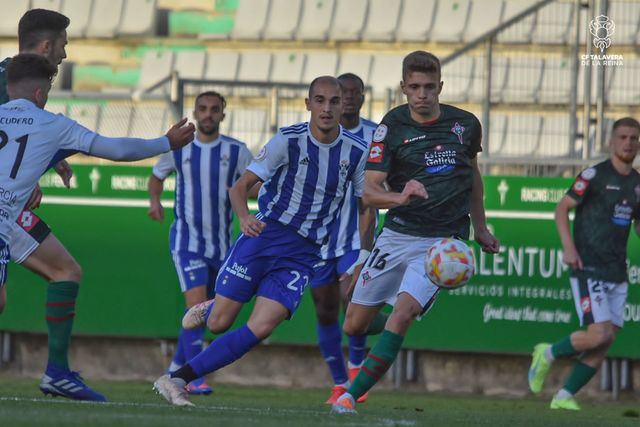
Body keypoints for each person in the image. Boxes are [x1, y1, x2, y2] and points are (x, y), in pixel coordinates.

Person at [152, 76, 374, 407]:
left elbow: (365, 205)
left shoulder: (356, 153)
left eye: (334, 101)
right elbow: (240, 187)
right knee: (218, 323)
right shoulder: (287, 140)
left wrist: (363, 255)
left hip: (303, 254)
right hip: (265, 237)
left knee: (262, 327)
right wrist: (244, 218)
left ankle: (176, 380)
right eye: (320, 100)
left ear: (344, 104)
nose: (327, 108)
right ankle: (214, 305)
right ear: (308, 104)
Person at [0, 53, 195, 401]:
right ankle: (57, 374)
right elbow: (116, 149)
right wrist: (166, 142)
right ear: (41, 94)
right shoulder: (53, 124)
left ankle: (57, 374)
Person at [332, 51, 500, 414]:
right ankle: (385, 313)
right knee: (354, 325)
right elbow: (370, 191)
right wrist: (401, 196)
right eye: (415, 87)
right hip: (397, 234)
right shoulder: (391, 127)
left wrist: (481, 228)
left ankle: (349, 395)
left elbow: (472, 177)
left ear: (440, 87)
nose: (422, 94)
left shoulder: (466, 125)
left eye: (429, 87)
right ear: (403, 88)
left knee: (403, 315)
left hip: (443, 242)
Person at [0, 9, 98, 400]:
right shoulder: (8, 83)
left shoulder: (18, 83)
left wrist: (51, 160)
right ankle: (56, 372)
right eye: (62, 44)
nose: (65, 53)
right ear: (45, 46)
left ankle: (57, 371)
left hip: (11, 205)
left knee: (64, 270)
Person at [528, 117, 640, 410]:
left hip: (617, 270)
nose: (628, 143)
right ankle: (547, 354)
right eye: (623, 137)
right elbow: (562, 208)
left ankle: (563, 397)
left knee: (605, 341)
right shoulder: (594, 175)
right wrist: (568, 247)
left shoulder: (638, 184)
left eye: (634, 138)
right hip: (588, 265)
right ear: (611, 142)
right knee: (598, 333)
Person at [148, 91, 252, 395]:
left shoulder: (237, 151)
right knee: (195, 305)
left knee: (208, 312)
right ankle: (191, 377)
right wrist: (155, 201)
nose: (208, 114)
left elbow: (253, 184)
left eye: (214, 109)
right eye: (203, 109)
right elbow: (156, 176)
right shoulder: (179, 148)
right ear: (195, 112)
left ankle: (174, 370)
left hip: (222, 246)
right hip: (187, 241)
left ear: (223, 114)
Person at [310, 72, 378, 404]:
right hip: (319, 239)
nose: (348, 98)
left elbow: (378, 187)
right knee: (325, 309)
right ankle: (338, 383)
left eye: (354, 92)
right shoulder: (313, 133)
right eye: (343, 92)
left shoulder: (375, 135)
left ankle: (355, 376)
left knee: (354, 303)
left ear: (363, 97)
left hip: (356, 236)